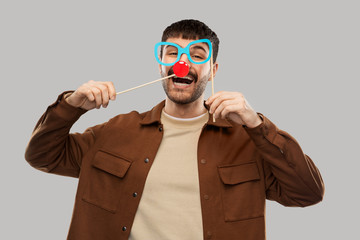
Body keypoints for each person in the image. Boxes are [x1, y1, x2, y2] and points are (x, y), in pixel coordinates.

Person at [25, 19, 324, 240]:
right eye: (172, 53)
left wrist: (257, 125)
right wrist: (71, 105)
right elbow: (42, 156)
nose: (183, 62)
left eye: (197, 54)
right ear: (160, 65)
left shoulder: (247, 142)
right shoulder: (115, 131)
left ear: (213, 70)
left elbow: (307, 193)